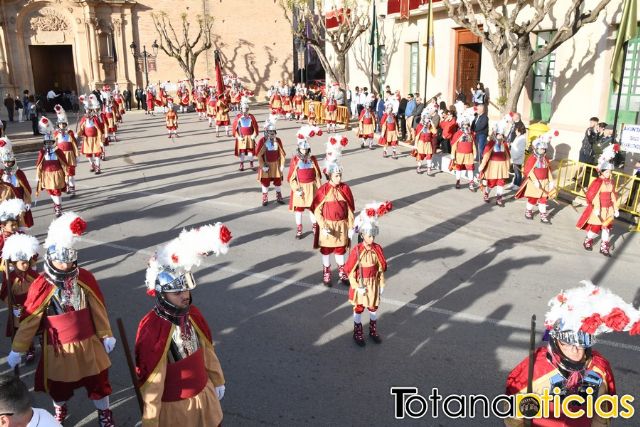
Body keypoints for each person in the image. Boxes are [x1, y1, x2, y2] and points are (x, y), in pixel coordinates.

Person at [7, 213, 117, 426]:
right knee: (59, 385)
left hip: (89, 343)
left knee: (98, 381)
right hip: (58, 347)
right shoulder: (41, 284)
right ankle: (60, 408)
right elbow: (30, 319)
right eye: (59, 260)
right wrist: (18, 348)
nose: (65, 266)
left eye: (69, 261)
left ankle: (104, 413)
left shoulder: (84, 278)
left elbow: (98, 309)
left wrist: (106, 334)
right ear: (50, 257)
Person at [504, 281, 639, 426]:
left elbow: (602, 416)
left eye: (582, 342)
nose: (575, 349)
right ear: (555, 342)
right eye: (568, 342)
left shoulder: (600, 370)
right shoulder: (534, 370)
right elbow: (513, 417)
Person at [136, 224, 230, 427]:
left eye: (186, 290)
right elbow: (154, 378)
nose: (185, 295)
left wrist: (217, 379)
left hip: (204, 396)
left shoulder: (193, 314)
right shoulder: (153, 327)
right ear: (162, 294)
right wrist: (151, 417)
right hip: (176, 409)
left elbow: (207, 351)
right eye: (177, 292)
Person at [344, 201, 391, 346]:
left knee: (373, 307)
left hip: (373, 283)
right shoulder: (357, 250)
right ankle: (357, 332)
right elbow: (350, 270)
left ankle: (372, 330)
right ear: (363, 235)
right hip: (361, 283)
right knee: (359, 307)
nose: (372, 239)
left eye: (373, 236)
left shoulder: (378, 248)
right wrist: (356, 286)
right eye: (369, 236)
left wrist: (381, 283)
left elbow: (380, 268)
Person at [311, 153, 355, 287]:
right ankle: (327, 271)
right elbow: (316, 210)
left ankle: (342, 271)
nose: (339, 178)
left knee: (340, 249)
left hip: (341, 225)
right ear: (330, 175)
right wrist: (323, 225)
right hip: (327, 226)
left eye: (340, 175)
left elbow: (350, 209)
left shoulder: (345, 188)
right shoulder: (323, 190)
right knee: (326, 250)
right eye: (336, 175)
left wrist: (351, 226)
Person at [576, 144, 621, 256]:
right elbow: (594, 196)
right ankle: (588, 240)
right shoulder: (597, 182)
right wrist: (597, 208)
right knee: (596, 227)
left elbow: (613, 196)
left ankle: (604, 247)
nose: (609, 174)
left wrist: (615, 209)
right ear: (601, 172)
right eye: (607, 172)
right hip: (599, 208)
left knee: (606, 228)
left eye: (610, 172)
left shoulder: (610, 182)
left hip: (608, 209)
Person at [1, 232, 40, 362]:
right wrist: (11, 305)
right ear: (14, 262)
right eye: (23, 263)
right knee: (21, 329)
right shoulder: (10, 278)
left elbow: (41, 285)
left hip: (32, 305)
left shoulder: (32, 274)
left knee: (36, 326)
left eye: (27, 262)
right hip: (18, 308)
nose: (26, 265)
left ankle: (41, 342)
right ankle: (29, 349)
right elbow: (4, 294)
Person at [515, 130, 558, 223]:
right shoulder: (532, 158)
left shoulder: (545, 159)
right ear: (536, 149)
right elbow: (529, 171)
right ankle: (528, 210)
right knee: (533, 199)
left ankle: (543, 215)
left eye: (543, 149)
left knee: (543, 200)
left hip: (544, 181)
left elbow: (548, 171)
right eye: (540, 149)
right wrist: (535, 181)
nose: (542, 150)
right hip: (534, 183)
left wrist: (551, 181)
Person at [287, 126, 322, 239]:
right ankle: (299, 228)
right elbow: (291, 178)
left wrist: (320, 189)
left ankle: (315, 226)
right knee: (299, 210)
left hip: (312, 188)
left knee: (312, 209)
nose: (304, 151)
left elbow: (317, 176)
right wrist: (296, 189)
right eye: (303, 149)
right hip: (300, 188)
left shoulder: (313, 159)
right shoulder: (295, 160)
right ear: (299, 149)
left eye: (306, 149)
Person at [36, 118, 69, 217]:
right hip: (46, 175)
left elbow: (64, 163)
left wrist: (66, 175)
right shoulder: (42, 152)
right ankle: (57, 203)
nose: (49, 144)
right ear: (44, 143)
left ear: (53, 142)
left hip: (57, 174)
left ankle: (58, 207)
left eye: (51, 142)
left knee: (56, 191)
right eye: (47, 143)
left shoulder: (58, 151)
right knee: (50, 191)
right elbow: (39, 165)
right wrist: (38, 176)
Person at [0, 138, 32, 228]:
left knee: (20, 222)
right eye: (6, 162)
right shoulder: (1, 174)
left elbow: (26, 188)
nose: (8, 164)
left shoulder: (19, 173)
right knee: (7, 224)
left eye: (10, 162)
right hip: (5, 202)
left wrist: (27, 202)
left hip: (19, 201)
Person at [478, 120, 511, 206]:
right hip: (493, 166)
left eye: (501, 135)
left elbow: (507, 157)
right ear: (496, 135)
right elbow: (486, 155)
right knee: (491, 183)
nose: (500, 136)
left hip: (502, 167)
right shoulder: (491, 144)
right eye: (499, 134)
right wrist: (482, 165)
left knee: (501, 182)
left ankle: (499, 198)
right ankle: (486, 193)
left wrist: (508, 166)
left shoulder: (505, 145)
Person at [256, 117, 286, 206]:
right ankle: (265, 197)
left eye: (273, 133)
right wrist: (262, 165)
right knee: (265, 181)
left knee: (278, 180)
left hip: (276, 164)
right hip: (266, 165)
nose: (272, 134)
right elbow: (259, 154)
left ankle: (279, 195)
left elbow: (282, 154)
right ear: (266, 132)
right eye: (270, 133)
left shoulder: (278, 140)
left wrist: (282, 165)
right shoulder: (262, 141)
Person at [53, 105, 79, 198]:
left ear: (66, 124)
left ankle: (73, 189)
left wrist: (77, 155)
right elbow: (54, 145)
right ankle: (66, 186)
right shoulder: (56, 134)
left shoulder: (70, 133)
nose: (62, 126)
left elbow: (74, 145)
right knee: (64, 173)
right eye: (60, 124)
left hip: (70, 155)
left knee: (70, 174)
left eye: (63, 124)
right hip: (61, 156)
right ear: (58, 125)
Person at [77, 94, 104, 175]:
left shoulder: (95, 119)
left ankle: (97, 167)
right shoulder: (83, 120)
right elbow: (81, 129)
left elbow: (99, 129)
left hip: (95, 138)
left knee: (97, 153)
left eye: (89, 111)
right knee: (88, 154)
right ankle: (92, 165)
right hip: (87, 139)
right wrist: (77, 134)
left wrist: (101, 140)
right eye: (86, 112)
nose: (88, 113)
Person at [231, 102, 259, 171]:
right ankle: (241, 164)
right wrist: (238, 136)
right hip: (242, 137)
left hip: (250, 137)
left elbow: (255, 127)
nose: (245, 110)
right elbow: (234, 128)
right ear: (241, 109)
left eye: (246, 108)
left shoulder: (251, 116)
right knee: (242, 152)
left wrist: (254, 135)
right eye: (244, 108)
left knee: (250, 151)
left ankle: (251, 164)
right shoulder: (238, 117)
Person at [412, 110, 437, 175]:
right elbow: (417, 136)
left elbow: (435, 132)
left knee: (429, 156)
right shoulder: (420, 126)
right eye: (427, 118)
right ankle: (419, 167)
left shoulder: (430, 127)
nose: (428, 120)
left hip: (428, 144)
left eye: (429, 119)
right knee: (420, 156)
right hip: (421, 143)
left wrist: (432, 124)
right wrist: (415, 145)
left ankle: (429, 169)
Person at [509, 121, 527, 190]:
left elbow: (520, 150)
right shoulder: (518, 137)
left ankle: (518, 184)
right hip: (514, 157)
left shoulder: (522, 139)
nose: (515, 132)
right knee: (516, 171)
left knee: (518, 172)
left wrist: (515, 158)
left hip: (517, 158)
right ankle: (515, 183)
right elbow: (516, 146)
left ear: (520, 131)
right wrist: (512, 144)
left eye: (516, 131)